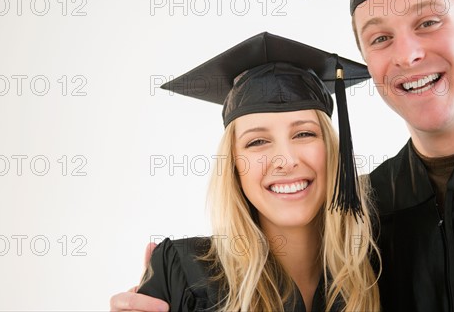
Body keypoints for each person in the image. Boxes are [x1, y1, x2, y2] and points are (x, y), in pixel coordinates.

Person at [112, 0, 454, 310]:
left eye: (428, 21)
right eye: (379, 38)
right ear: (364, 54)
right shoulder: (369, 214)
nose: (409, 54)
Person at [113, 32, 380, 312]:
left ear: (332, 151)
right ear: (234, 165)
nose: (285, 160)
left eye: (303, 133)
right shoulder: (186, 277)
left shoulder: (380, 264)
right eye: (257, 141)